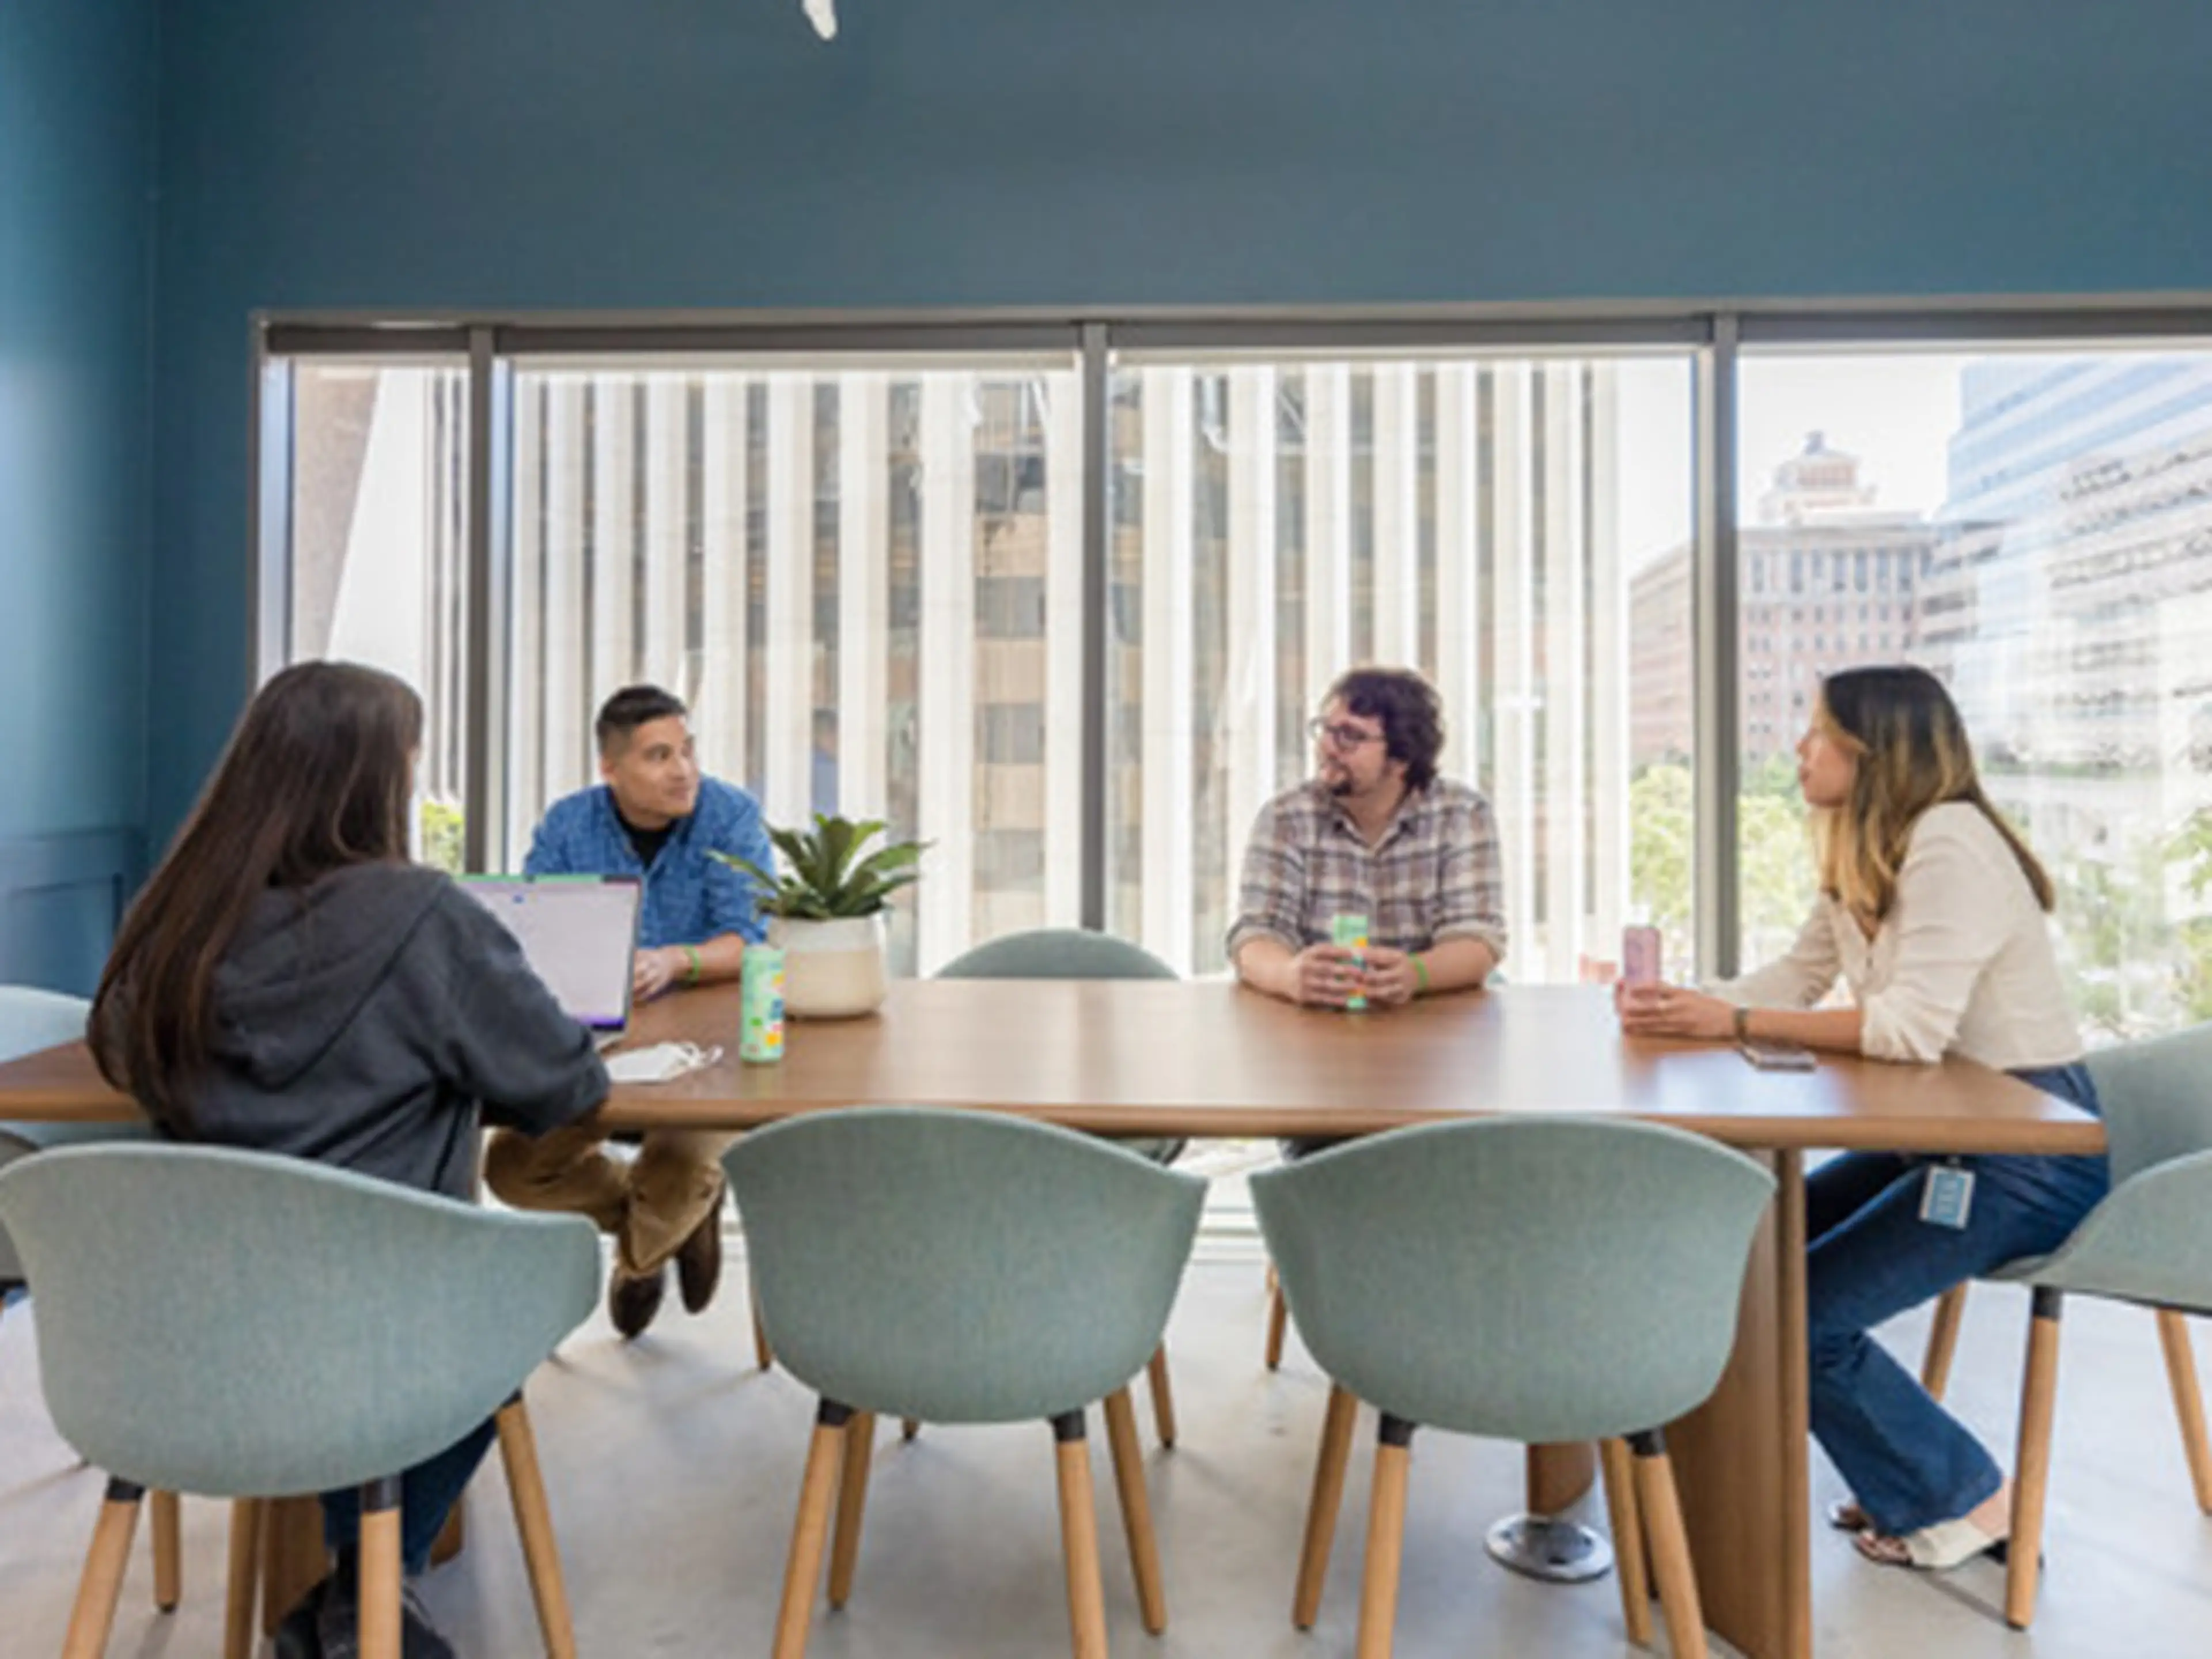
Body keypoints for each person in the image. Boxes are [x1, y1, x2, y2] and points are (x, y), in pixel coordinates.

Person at [88, 661, 608, 1659]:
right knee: (506, 1295)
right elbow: (569, 1086)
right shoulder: (423, 917)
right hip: (389, 1330)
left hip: (184, 1331)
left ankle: (353, 1593)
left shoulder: (174, 924)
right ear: (373, 781)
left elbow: (128, 1059)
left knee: (365, 1289)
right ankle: (367, 1585)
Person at [1616, 664, 2108, 1571]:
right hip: (1945, 1140)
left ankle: (1965, 1498)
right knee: (1751, 1261)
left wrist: (1732, 1024)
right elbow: (1795, 980)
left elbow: (1911, 1031)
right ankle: (1882, 1479)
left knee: (1800, 1315)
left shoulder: (1951, 842)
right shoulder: (1863, 844)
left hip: (2026, 1153)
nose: (1797, 748)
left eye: (1816, 731)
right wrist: (1687, 1005)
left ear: (1874, 749)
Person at [484, 684, 774, 1340]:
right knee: (512, 1169)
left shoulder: (728, 816)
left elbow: (751, 936)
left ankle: (639, 1263)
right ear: (610, 770)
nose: (684, 770)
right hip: (598, 1053)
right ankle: (674, 1224)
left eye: (688, 751)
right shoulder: (567, 825)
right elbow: (536, 933)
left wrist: (676, 961)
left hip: (713, 1059)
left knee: (678, 1166)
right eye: (659, 756)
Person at [1228, 665, 1508, 1009]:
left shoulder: (1462, 815)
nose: (1329, 747)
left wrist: (1415, 973)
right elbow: (1256, 933)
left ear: (1401, 758)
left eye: (1350, 736)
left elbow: (1478, 940)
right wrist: (1288, 975)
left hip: (1427, 1026)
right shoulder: (1286, 818)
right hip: (1312, 1029)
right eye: (1326, 730)